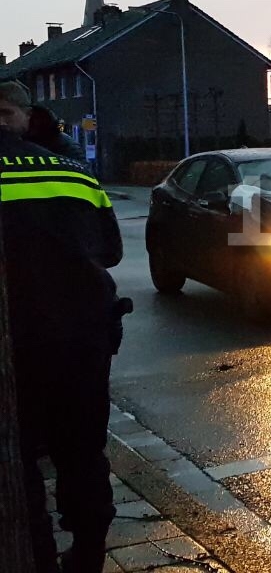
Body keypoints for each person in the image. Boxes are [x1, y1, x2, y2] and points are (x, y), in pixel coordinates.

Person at [0, 80, 124, 573]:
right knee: (83, 450)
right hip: (82, 338)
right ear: (27, 118)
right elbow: (110, 251)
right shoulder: (74, 171)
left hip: (17, 345)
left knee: (19, 455)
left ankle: (38, 556)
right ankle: (89, 555)